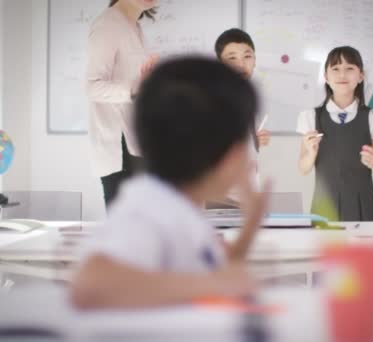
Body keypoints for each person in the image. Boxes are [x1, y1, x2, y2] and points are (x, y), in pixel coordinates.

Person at [70, 57, 271, 309]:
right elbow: (91, 285)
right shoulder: (151, 210)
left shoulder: (180, 207)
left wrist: (249, 231)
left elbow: (205, 270)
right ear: (229, 157)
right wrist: (216, 285)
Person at [297, 46, 373, 221]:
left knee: (363, 248)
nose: (342, 75)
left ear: (361, 76)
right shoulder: (310, 117)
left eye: (349, 69)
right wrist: (311, 153)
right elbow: (302, 169)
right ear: (326, 77)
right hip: (324, 207)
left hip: (364, 206)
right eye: (335, 69)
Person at [86, 0, 160, 208]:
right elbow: (92, 87)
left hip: (135, 144)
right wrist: (135, 88)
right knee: (126, 230)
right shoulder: (107, 25)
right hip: (118, 148)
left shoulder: (134, 26)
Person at [215, 28, 271, 150]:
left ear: (254, 60)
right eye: (232, 58)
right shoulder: (210, 100)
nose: (241, 64)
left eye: (247, 56)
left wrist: (256, 141)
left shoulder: (249, 98)